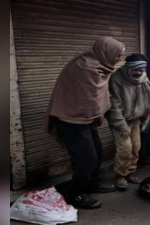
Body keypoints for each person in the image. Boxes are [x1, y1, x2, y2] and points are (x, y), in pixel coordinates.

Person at [42, 37, 125, 209]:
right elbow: (87, 99)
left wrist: (96, 114)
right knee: (86, 159)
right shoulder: (86, 66)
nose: (119, 59)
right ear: (106, 52)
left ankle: (92, 183)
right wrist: (97, 113)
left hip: (86, 118)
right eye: (117, 55)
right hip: (72, 119)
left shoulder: (99, 64)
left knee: (97, 153)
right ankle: (76, 194)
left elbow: (96, 97)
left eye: (120, 55)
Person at [106, 54, 150, 190]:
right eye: (135, 69)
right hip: (121, 121)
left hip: (136, 119)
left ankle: (129, 172)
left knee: (136, 147)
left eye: (141, 69)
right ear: (128, 67)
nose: (138, 72)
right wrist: (121, 125)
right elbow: (113, 105)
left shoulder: (143, 78)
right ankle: (120, 175)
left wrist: (148, 111)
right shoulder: (116, 79)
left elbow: (148, 97)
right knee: (125, 149)